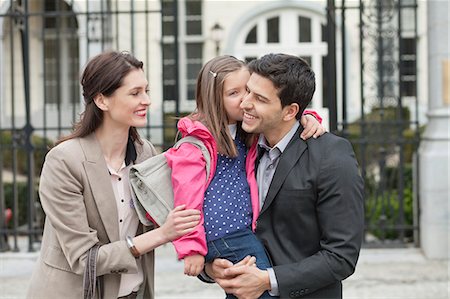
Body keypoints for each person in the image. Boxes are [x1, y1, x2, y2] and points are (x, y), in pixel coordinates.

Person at [26, 51, 201, 299]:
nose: (147, 100)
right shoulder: (64, 161)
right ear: (102, 100)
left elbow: (170, 215)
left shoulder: (145, 153)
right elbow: (84, 259)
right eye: (135, 93)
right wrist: (162, 235)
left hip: (134, 292)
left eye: (146, 91)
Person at [163, 55, 325, 298]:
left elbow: (280, 115)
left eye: (248, 90)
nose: (245, 100)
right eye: (234, 93)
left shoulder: (245, 129)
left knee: (242, 290)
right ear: (213, 98)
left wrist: (308, 117)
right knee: (261, 289)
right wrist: (192, 248)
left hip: (242, 229)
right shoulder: (196, 143)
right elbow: (187, 199)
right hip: (224, 233)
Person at [206, 53, 365, 299]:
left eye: (259, 98)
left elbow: (341, 256)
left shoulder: (332, 156)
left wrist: (267, 280)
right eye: (247, 91)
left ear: (290, 111)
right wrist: (210, 268)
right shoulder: (238, 149)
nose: (245, 103)